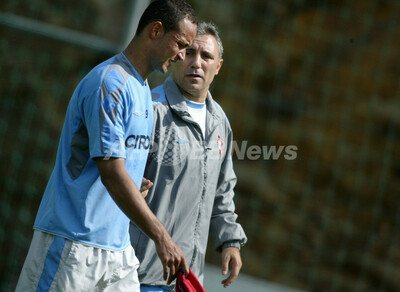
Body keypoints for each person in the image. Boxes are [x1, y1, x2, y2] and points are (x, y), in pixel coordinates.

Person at [15, 1, 197, 291]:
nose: (183, 56)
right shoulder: (110, 84)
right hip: (73, 245)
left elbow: (117, 170)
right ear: (156, 30)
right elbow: (111, 172)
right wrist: (162, 237)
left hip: (117, 250)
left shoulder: (142, 90)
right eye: (181, 44)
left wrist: (135, 183)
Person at [130, 22, 247, 291]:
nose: (197, 63)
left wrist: (230, 240)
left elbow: (222, 190)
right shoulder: (150, 109)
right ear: (177, 56)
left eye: (206, 56)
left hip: (186, 281)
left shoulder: (220, 122)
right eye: (190, 53)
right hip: (139, 275)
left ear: (218, 67)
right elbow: (117, 178)